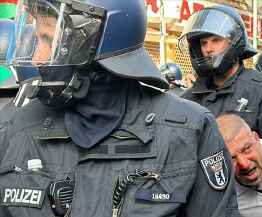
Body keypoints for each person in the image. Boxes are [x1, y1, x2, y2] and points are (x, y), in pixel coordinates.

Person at [0, 1, 239, 217]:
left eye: (50, 41)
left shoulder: (189, 130)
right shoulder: (14, 128)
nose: (37, 59)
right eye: (36, 39)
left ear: (98, 42)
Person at [179, 5, 262, 140]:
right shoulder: (187, 100)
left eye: (216, 40)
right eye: (204, 43)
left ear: (235, 41)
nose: (209, 48)